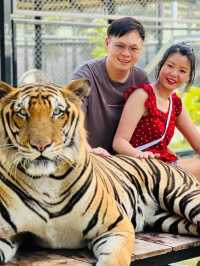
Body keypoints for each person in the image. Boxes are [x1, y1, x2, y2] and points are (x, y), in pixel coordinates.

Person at [113, 42, 200, 179]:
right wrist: (139, 155)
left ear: (188, 77)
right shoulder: (143, 95)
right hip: (141, 167)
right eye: (170, 66)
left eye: (182, 71)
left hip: (164, 166)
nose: (173, 73)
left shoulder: (175, 103)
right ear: (161, 65)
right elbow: (119, 142)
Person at [72, 17, 148, 155]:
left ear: (141, 49)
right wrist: (89, 151)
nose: (126, 53)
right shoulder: (85, 75)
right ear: (107, 42)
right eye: (119, 46)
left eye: (133, 48)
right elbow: (72, 122)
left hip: (127, 159)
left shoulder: (141, 79)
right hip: (90, 156)